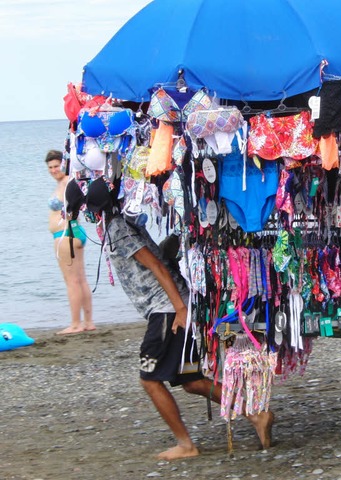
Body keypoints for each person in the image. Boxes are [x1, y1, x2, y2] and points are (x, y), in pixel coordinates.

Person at [84, 177, 274, 461]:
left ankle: (186, 444)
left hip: (167, 311)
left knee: (150, 380)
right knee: (192, 381)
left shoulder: (119, 228)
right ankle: (257, 415)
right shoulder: (123, 225)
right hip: (175, 306)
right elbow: (161, 256)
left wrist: (181, 310)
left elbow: (158, 267)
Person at [45, 150, 95, 335]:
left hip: (65, 235)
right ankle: (88, 322)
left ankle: (76, 324)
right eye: (50, 167)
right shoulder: (66, 182)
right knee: (80, 279)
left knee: (72, 281)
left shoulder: (67, 183)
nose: (53, 170)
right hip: (74, 231)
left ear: (64, 164)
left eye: (56, 166)